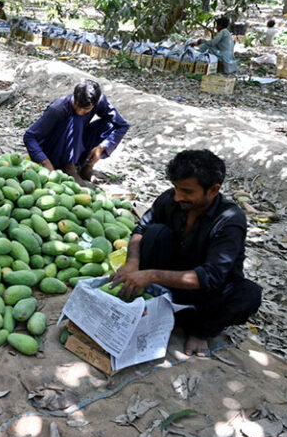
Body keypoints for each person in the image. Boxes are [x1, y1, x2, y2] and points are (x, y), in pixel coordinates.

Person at [108, 149, 262, 357]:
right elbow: (141, 229)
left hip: (204, 299)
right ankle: (150, 306)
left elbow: (211, 276)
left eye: (187, 191)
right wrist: (132, 262)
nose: (179, 196)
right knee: (155, 233)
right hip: (168, 285)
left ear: (213, 190)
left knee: (248, 294)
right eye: (177, 188)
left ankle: (199, 332)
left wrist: (151, 275)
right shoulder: (172, 199)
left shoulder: (230, 220)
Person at [23, 79, 129, 182]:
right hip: (54, 151)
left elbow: (122, 125)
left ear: (95, 103)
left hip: (75, 145)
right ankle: (69, 168)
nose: (80, 111)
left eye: (86, 109)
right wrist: (46, 163)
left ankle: (86, 168)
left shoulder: (100, 101)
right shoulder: (58, 108)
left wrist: (103, 146)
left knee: (110, 124)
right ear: (74, 97)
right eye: (77, 106)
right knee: (76, 119)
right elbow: (29, 137)